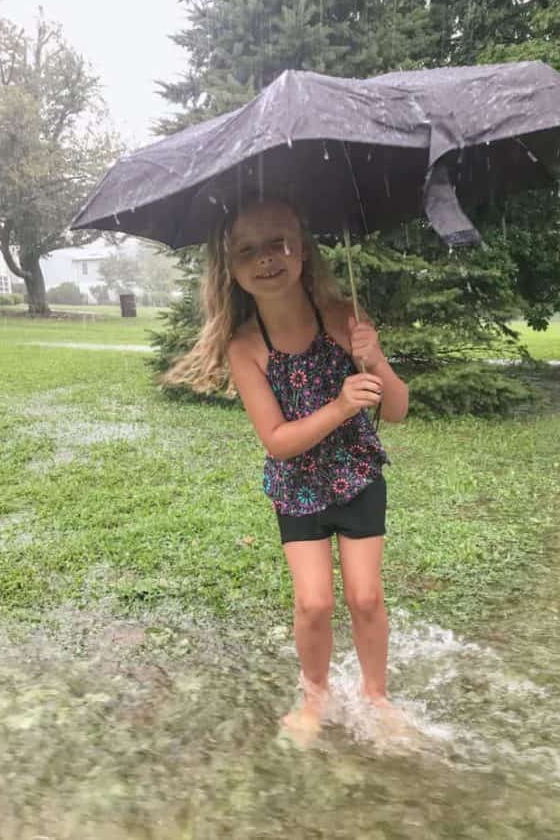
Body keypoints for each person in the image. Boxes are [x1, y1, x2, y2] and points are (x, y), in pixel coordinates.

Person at [162, 195, 409, 745]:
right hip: (297, 490)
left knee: (366, 596)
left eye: (278, 242)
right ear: (230, 266)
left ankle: (377, 696)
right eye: (248, 249)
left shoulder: (344, 317)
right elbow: (277, 443)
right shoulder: (245, 346)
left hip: (359, 476)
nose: (266, 258)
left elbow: (395, 408)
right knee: (314, 601)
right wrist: (343, 406)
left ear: (302, 246)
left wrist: (375, 357)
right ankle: (314, 697)